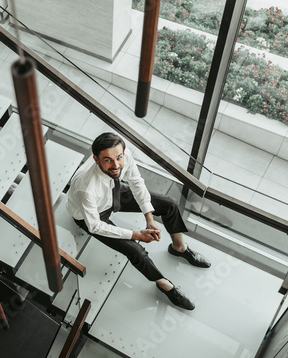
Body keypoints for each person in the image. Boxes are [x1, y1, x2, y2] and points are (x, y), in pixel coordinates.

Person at [66, 132, 209, 310]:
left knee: (169, 204)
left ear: (123, 152)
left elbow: (137, 183)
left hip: (113, 192)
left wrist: (149, 217)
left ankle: (179, 248)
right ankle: (163, 283)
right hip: (91, 215)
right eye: (108, 160)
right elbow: (94, 226)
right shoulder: (86, 187)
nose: (116, 164)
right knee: (137, 251)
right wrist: (136, 235)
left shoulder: (124, 157)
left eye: (119, 157)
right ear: (96, 159)